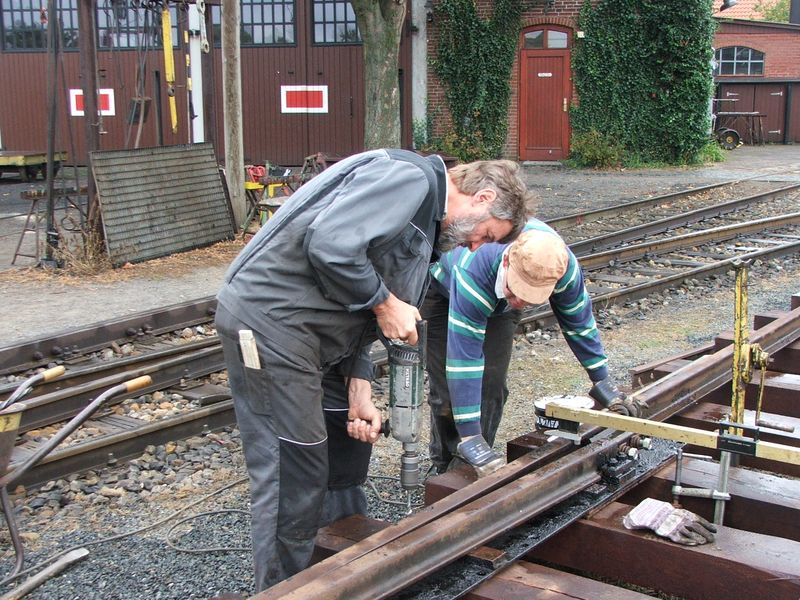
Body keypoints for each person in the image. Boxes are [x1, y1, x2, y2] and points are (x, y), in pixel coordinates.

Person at [214, 149, 529, 591]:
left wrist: (359, 384)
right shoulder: (412, 179)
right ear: (483, 198)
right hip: (274, 326)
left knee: (343, 444)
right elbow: (331, 245)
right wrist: (385, 303)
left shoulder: (427, 216)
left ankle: (329, 568)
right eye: (486, 234)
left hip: (315, 338)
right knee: (292, 469)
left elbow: (354, 297)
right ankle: (284, 588)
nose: (474, 246)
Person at [424, 220, 624, 476]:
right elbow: (464, 361)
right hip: (444, 291)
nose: (520, 301)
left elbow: (579, 323)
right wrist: (469, 433)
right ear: (507, 262)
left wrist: (602, 381)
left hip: (497, 301)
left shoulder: (562, 268)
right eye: (517, 290)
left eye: (530, 298)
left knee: (492, 384)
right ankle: (445, 465)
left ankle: (472, 463)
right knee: (448, 389)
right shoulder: (474, 269)